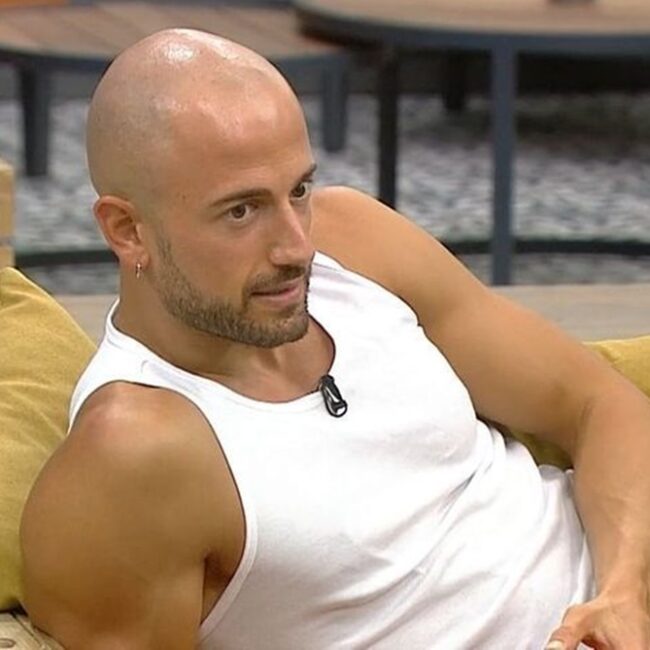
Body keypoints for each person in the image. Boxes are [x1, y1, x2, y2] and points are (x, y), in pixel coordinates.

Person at [19, 28, 650, 650]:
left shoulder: (353, 242)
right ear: (127, 230)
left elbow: (598, 402)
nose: (298, 247)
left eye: (298, 190)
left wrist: (624, 591)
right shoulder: (134, 454)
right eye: (242, 210)